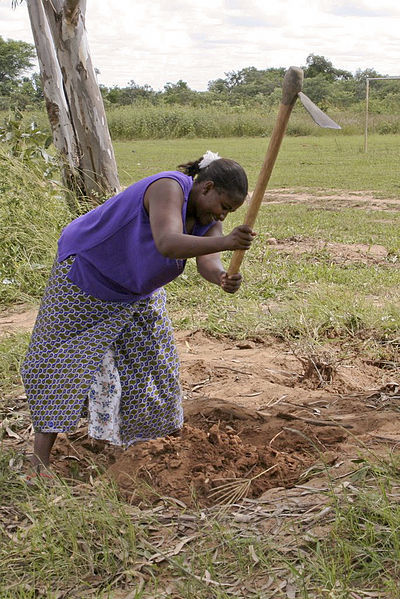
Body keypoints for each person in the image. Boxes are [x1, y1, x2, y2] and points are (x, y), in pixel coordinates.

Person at [21, 150, 256, 477]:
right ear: (207, 188)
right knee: (61, 361)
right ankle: (39, 463)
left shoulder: (209, 221)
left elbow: (209, 261)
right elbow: (168, 242)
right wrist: (229, 242)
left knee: (155, 363)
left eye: (230, 213)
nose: (224, 217)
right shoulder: (168, 187)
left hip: (136, 290)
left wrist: (220, 277)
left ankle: (151, 446)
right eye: (224, 206)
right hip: (86, 275)